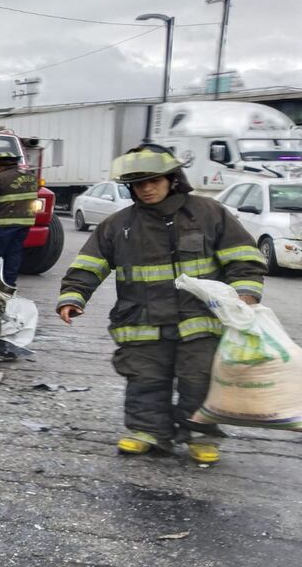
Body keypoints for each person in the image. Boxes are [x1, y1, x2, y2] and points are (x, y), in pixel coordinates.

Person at [56, 144, 267, 464]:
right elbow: (89, 264)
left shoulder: (209, 213)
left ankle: (199, 435)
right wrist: (73, 296)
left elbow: (244, 260)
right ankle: (146, 431)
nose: (147, 189)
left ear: (173, 178)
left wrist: (245, 296)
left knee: (199, 378)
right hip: (141, 319)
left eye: (153, 180)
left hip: (200, 319)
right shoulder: (118, 225)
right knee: (144, 377)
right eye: (139, 184)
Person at [0, 151, 39, 287]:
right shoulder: (30, 177)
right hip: (24, 223)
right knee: (13, 254)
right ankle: (9, 283)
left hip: (2, 223)